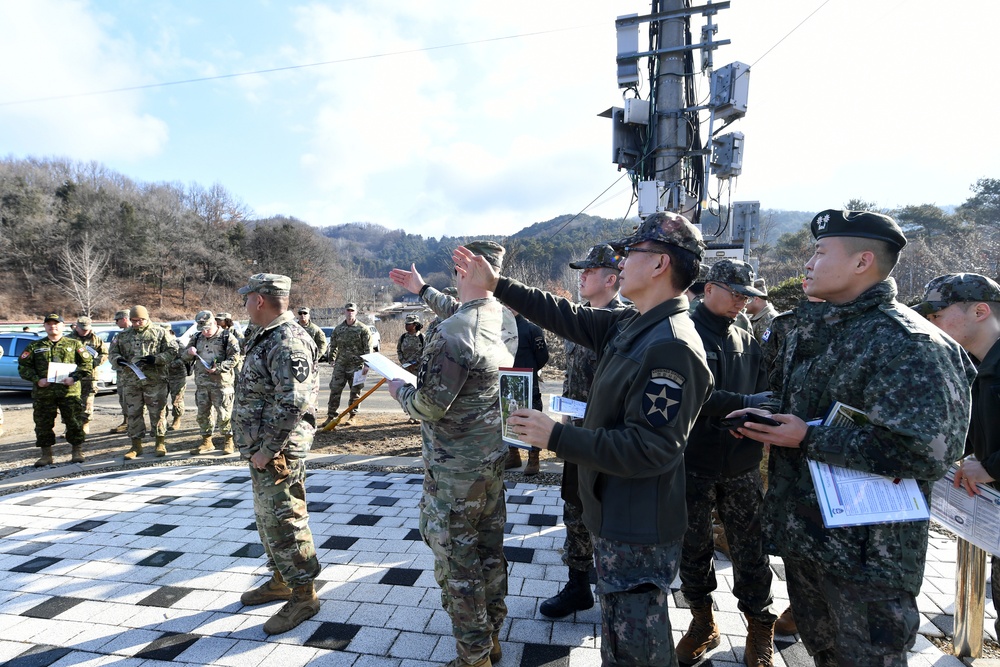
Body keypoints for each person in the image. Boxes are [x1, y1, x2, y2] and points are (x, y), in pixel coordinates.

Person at [455, 213, 714, 666]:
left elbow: (650, 448)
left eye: (630, 253)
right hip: (615, 510)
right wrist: (498, 284)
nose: (621, 260)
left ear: (659, 265)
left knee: (638, 652)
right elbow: (564, 315)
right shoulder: (635, 324)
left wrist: (555, 436)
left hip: (637, 527)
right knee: (620, 643)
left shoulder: (669, 343)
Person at [728, 209, 975, 666]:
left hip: (868, 558)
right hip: (808, 540)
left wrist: (807, 438)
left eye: (820, 253)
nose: (808, 263)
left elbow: (929, 452)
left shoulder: (911, 343)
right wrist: (766, 416)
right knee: (823, 654)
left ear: (863, 262)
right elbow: (807, 411)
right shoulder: (819, 329)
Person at [388, 240, 514, 667]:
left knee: (458, 569)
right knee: (489, 555)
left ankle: (473, 656)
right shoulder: (502, 318)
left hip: (454, 477)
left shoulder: (450, 333)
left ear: (462, 271)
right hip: (492, 464)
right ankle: (492, 636)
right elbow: (465, 312)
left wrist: (400, 390)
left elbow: (428, 406)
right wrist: (423, 291)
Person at [676, 259, 776, 665]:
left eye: (746, 296)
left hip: (741, 463)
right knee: (692, 547)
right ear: (709, 288)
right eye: (735, 293)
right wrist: (739, 407)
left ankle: (759, 626)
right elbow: (686, 398)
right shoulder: (681, 333)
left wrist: (751, 417)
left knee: (751, 549)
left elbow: (765, 394)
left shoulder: (747, 340)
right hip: (692, 461)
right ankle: (702, 621)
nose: (741, 302)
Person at [539, 243, 625, 620]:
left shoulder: (625, 323)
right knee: (574, 510)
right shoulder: (581, 319)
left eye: (589, 272)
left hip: (606, 441)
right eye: (581, 271)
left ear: (611, 278)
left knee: (610, 517)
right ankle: (578, 585)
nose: (582, 277)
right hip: (575, 435)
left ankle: (616, 594)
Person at [234, 273, 322, 635]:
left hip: (278, 450)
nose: (245, 304)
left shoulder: (288, 340)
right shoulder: (266, 334)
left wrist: (267, 449)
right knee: (269, 519)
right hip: (263, 449)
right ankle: (282, 578)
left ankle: (304, 595)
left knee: (286, 521)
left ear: (259, 300)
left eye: (247, 297)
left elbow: (293, 402)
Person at [915, 273, 1000, 640]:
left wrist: (992, 466)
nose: (931, 322)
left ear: (980, 311)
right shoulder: (978, 366)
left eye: (938, 313)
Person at [18, 313, 94, 466]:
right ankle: (46, 455)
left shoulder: (74, 345)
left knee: (74, 422)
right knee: (43, 424)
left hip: (69, 392)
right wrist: (37, 380)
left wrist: (74, 378)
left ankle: (77, 451)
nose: (53, 326)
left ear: (63, 326)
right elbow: (23, 367)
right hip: (44, 393)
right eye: (49, 324)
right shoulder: (35, 346)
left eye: (56, 323)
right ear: (44, 326)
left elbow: (87, 365)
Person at [108, 305, 178, 459]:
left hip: (155, 380)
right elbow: (112, 353)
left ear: (147, 318)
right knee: (133, 413)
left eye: (140, 320)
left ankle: (160, 442)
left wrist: (157, 359)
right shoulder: (123, 335)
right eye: (133, 320)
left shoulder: (160, 332)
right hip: (131, 381)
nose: (137, 323)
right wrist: (117, 360)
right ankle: (136, 445)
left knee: (158, 412)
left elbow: (173, 350)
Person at [185, 310, 242, 455]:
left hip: (221, 384)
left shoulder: (226, 337)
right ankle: (206, 441)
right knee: (203, 414)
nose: (205, 332)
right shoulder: (197, 337)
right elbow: (184, 356)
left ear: (215, 324)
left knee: (224, 413)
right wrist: (188, 352)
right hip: (202, 384)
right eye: (202, 329)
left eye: (207, 329)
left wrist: (220, 368)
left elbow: (235, 357)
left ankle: (229, 441)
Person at [504, 309, 549, 475]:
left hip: (528, 382)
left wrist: (529, 371)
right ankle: (513, 455)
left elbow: (542, 356)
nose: (507, 308)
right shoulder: (499, 328)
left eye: (510, 304)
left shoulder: (531, 329)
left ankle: (533, 458)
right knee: (508, 416)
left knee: (532, 417)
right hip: (506, 381)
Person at [320, 302, 373, 427]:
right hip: (341, 365)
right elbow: (333, 345)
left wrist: (367, 365)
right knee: (335, 390)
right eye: (348, 310)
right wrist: (331, 359)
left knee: (355, 391)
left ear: (356, 312)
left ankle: (352, 416)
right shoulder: (338, 329)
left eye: (352, 310)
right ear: (344, 312)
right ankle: (331, 416)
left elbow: (368, 348)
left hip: (357, 366)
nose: (350, 313)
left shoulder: (363, 329)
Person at [66, 316, 107, 434]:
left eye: (87, 329)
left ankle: (85, 424)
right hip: (72, 375)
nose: (85, 331)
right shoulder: (68, 339)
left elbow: (104, 353)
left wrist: (94, 362)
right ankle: (70, 426)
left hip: (90, 375)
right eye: (83, 329)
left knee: (88, 401)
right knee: (70, 401)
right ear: (76, 327)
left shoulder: (96, 339)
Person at [109, 309, 131, 433]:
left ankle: (135, 422)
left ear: (124, 319)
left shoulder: (138, 334)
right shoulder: (119, 336)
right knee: (123, 397)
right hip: (122, 372)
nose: (116, 323)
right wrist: (118, 360)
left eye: (117, 320)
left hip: (137, 372)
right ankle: (126, 421)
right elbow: (112, 352)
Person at [164, 327, 188, 432]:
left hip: (177, 375)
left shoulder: (178, 344)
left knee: (177, 399)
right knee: (160, 399)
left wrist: (172, 364)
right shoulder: (160, 344)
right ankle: (162, 419)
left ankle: (176, 419)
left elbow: (185, 358)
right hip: (163, 375)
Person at [746, 278, 779, 343]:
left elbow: (766, 350)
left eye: (746, 299)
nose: (742, 302)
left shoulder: (768, 320)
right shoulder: (757, 318)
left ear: (756, 299)